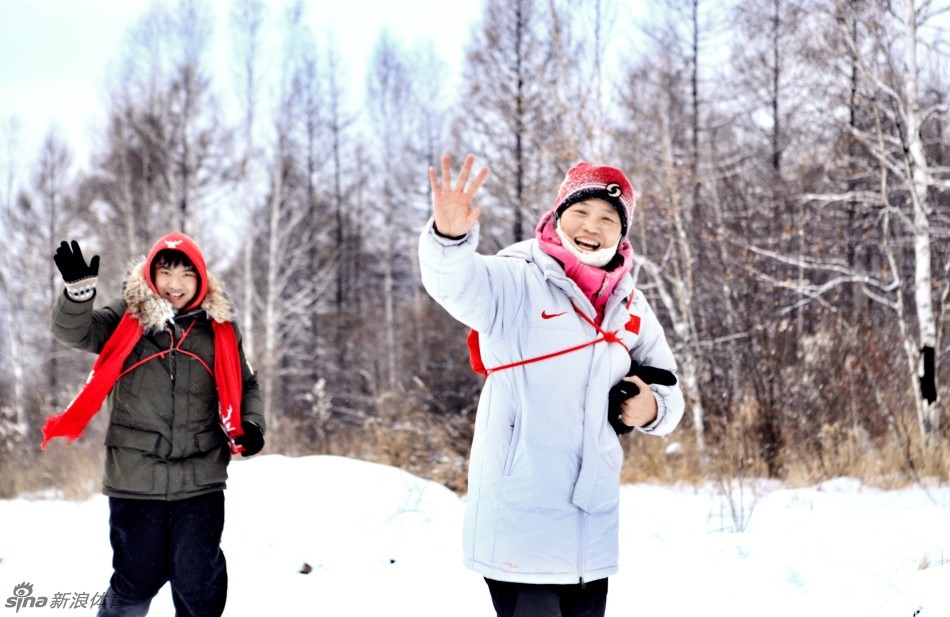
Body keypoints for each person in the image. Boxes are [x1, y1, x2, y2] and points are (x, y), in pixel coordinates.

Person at [418, 155, 685, 617]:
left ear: (622, 233)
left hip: (592, 531)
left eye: (607, 218)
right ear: (558, 215)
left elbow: (671, 394)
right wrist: (449, 238)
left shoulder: (630, 305)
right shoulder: (517, 278)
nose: (591, 226)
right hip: (521, 520)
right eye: (580, 212)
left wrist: (651, 410)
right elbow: (455, 284)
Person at [42, 231, 265, 617]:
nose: (175, 284)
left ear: (201, 280)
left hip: (201, 479)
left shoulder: (220, 329)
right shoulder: (126, 317)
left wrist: (251, 424)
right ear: (151, 273)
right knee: (136, 580)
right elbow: (74, 331)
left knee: (199, 583)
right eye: (165, 271)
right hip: (135, 478)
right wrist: (78, 295)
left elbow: (246, 384)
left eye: (186, 274)